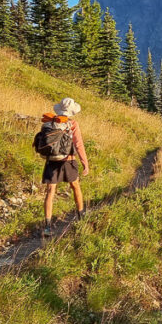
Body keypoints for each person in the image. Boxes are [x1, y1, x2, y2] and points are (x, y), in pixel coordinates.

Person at [41, 97, 90, 236]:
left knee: (50, 191)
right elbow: (79, 144)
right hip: (68, 160)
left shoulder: (49, 123)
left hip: (52, 161)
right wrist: (85, 163)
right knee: (75, 186)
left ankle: (47, 226)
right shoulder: (72, 124)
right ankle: (81, 216)